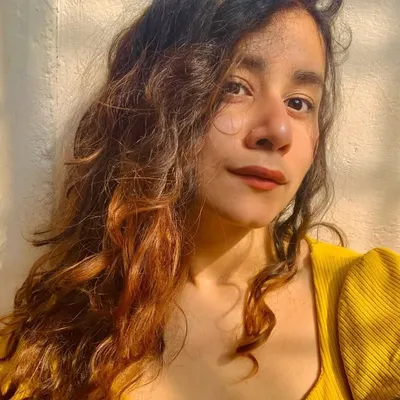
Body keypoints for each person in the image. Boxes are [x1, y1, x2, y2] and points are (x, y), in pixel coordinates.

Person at [0, 0, 399, 399]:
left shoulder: (376, 306)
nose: (278, 131)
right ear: (155, 100)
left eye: (299, 103)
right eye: (233, 87)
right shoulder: (47, 347)